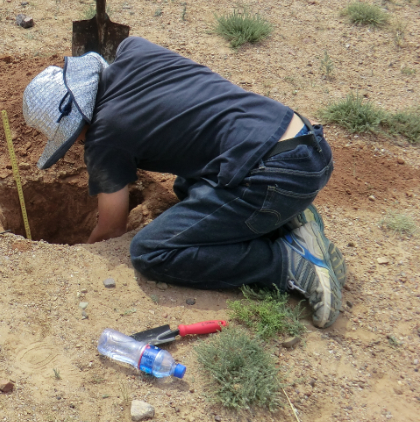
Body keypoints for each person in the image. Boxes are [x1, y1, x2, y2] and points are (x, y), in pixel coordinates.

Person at [23, 36, 347, 328]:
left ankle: (288, 264)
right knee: (186, 184)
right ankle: (289, 222)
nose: (76, 144)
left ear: (77, 120)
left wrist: (80, 256)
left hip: (275, 176)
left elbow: (111, 229)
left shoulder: (105, 137)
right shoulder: (134, 50)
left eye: (69, 137)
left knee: (151, 252)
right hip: (306, 145)